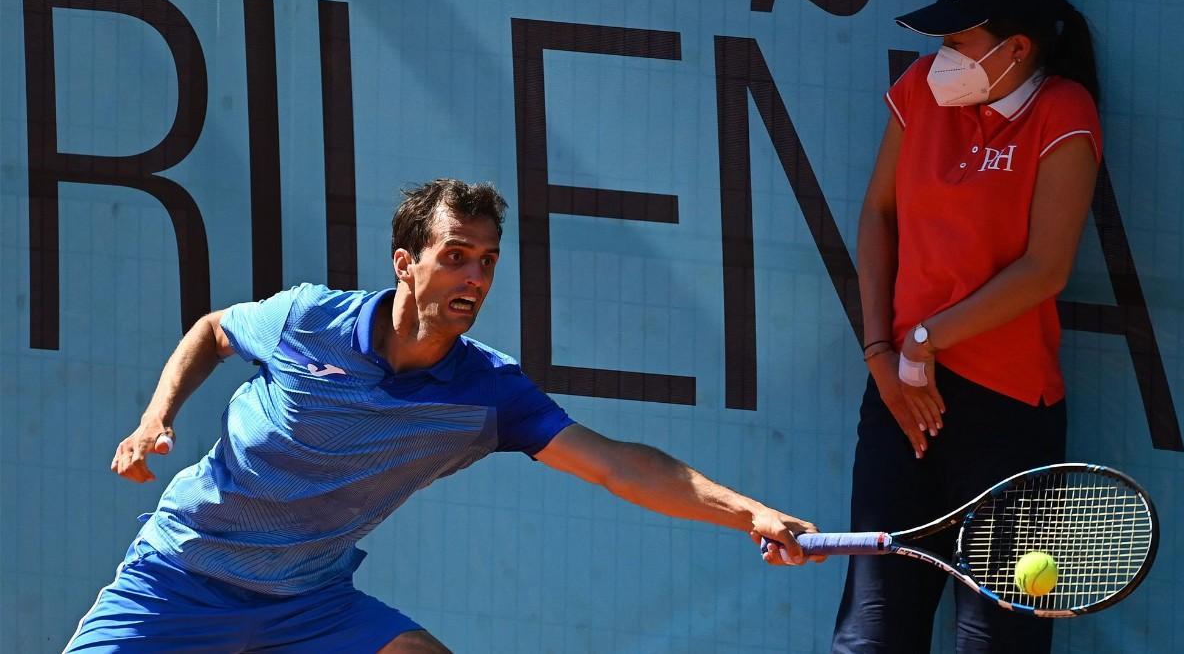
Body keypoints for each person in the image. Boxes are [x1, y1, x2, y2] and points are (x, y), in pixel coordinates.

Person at [66, 179, 821, 653]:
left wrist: (748, 510)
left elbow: (620, 463)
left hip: (310, 604)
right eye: (456, 255)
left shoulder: (488, 394)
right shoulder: (307, 320)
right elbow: (213, 329)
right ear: (406, 261)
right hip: (180, 575)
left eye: (487, 261)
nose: (475, 277)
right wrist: (153, 419)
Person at [835, 0, 1102, 652]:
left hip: (1009, 415)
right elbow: (877, 213)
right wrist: (882, 354)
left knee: (994, 643)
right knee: (869, 636)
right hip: (897, 396)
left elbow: (1047, 267)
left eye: (958, 39)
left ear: (1017, 47)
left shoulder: (1065, 111)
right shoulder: (922, 88)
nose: (940, 53)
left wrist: (926, 338)